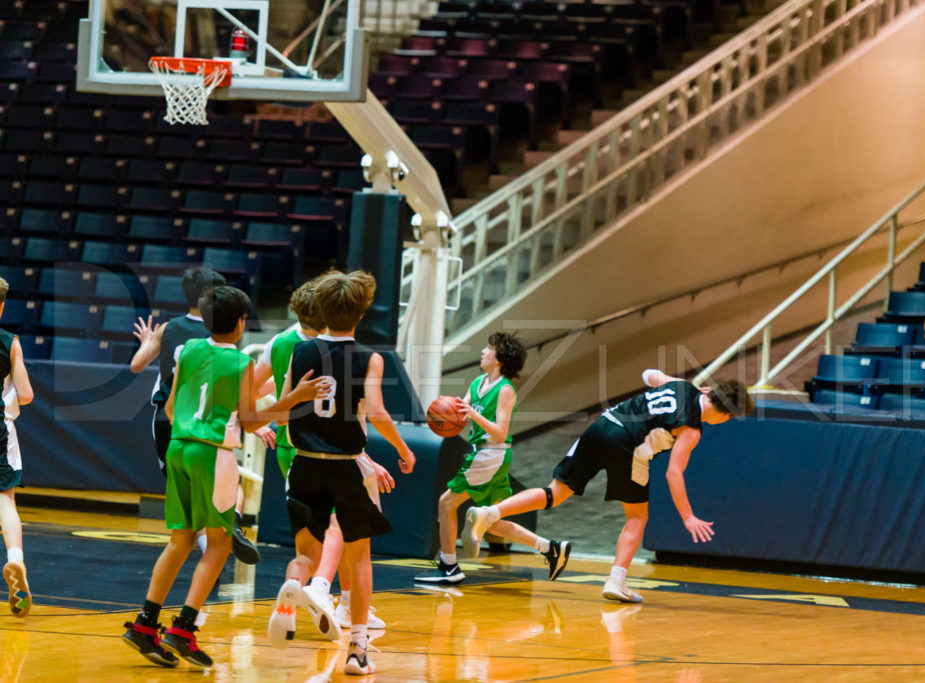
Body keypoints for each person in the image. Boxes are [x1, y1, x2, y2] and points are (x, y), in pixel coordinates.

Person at [122, 286, 329, 668]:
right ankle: (183, 628)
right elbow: (251, 422)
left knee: (180, 539)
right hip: (212, 453)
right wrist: (293, 397)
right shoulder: (240, 364)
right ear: (239, 324)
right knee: (218, 543)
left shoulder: (187, 351)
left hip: (178, 445)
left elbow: (169, 404)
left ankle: (145, 623)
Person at [463, 371, 752, 603]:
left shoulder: (684, 386)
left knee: (555, 492)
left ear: (710, 392)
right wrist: (688, 517)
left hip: (602, 425)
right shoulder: (691, 430)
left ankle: (490, 513)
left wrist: (660, 383)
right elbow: (674, 474)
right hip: (629, 446)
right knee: (637, 518)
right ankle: (616, 580)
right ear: (726, 415)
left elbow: (649, 374)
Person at [267, 270, 415, 676]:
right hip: (347, 468)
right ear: (363, 311)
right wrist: (403, 448)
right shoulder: (370, 357)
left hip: (304, 465)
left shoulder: (300, 352)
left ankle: (291, 593)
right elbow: (379, 412)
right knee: (360, 558)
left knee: (304, 555)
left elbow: (282, 411)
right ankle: (358, 650)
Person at [253, 274, 387, 640]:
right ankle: (322, 591)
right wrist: (368, 458)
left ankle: (316, 600)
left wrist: (249, 422)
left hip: (291, 449)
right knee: (337, 529)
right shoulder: (340, 353)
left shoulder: (280, 343)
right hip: (329, 451)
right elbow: (358, 415)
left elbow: (255, 389)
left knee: (309, 542)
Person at [130, 267, 265, 565]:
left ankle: (207, 555)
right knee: (224, 491)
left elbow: (136, 366)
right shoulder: (220, 332)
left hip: (169, 421)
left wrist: (147, 343)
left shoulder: (168, 328)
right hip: (206, 420)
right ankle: (228, 530)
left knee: (189, 499)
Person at [415, 332, 571, 585]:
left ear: (499, 358)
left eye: (489, 348)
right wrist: (442, 414)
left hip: (491, 453)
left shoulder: (505, 390)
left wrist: (472, 416)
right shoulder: (477, 382)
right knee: (491, 520)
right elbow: (459, 416)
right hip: (485, 454)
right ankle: (551, 548)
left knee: (446, 504)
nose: (483, 351)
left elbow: (500, 432)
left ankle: (449, 565)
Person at [0, 277, 34, 618]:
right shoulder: (10, 342)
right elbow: (25, 395)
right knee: (5, 500)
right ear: (2, 306)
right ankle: (15, 559)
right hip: (0, 428)